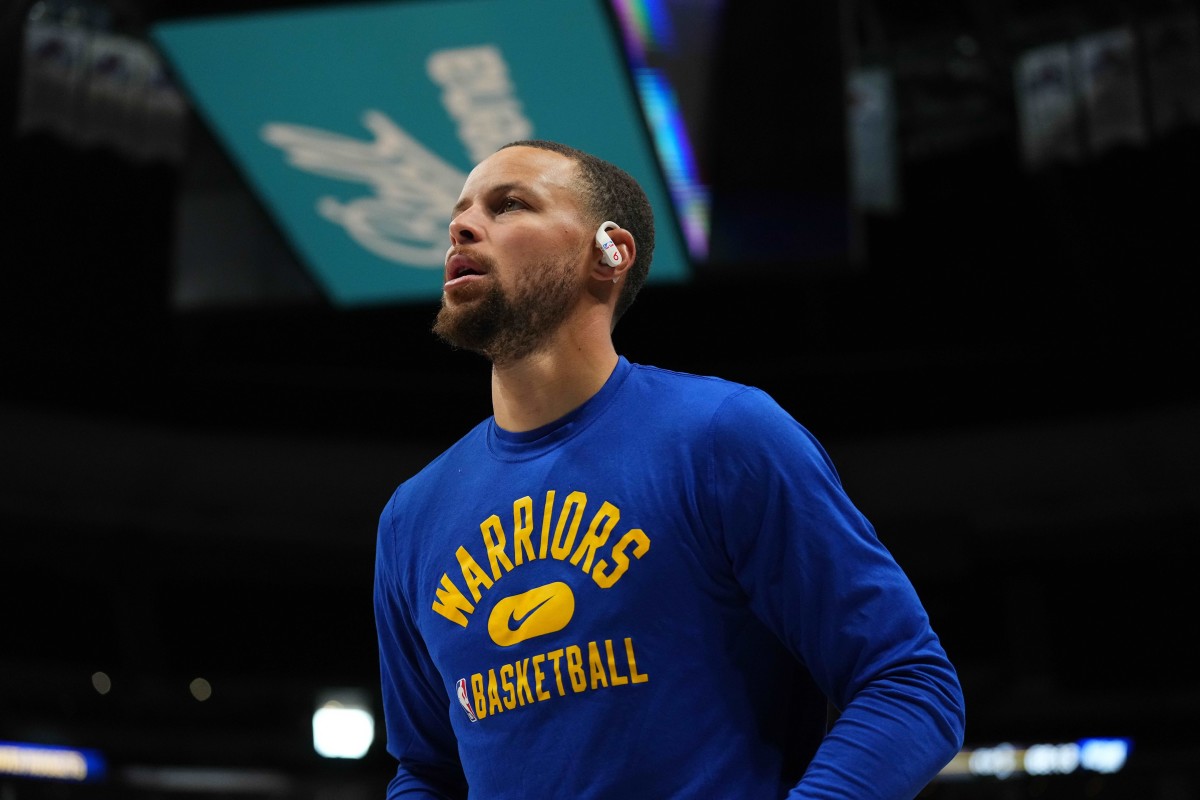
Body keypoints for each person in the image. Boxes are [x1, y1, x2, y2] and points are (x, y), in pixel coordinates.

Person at [373, 139, 966, 799]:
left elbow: (909, 684)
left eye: (510, 204)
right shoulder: (412, 515)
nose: (461, 226)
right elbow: (426, 770)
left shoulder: (721, 437)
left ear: (610, 252)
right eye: (460, 212)